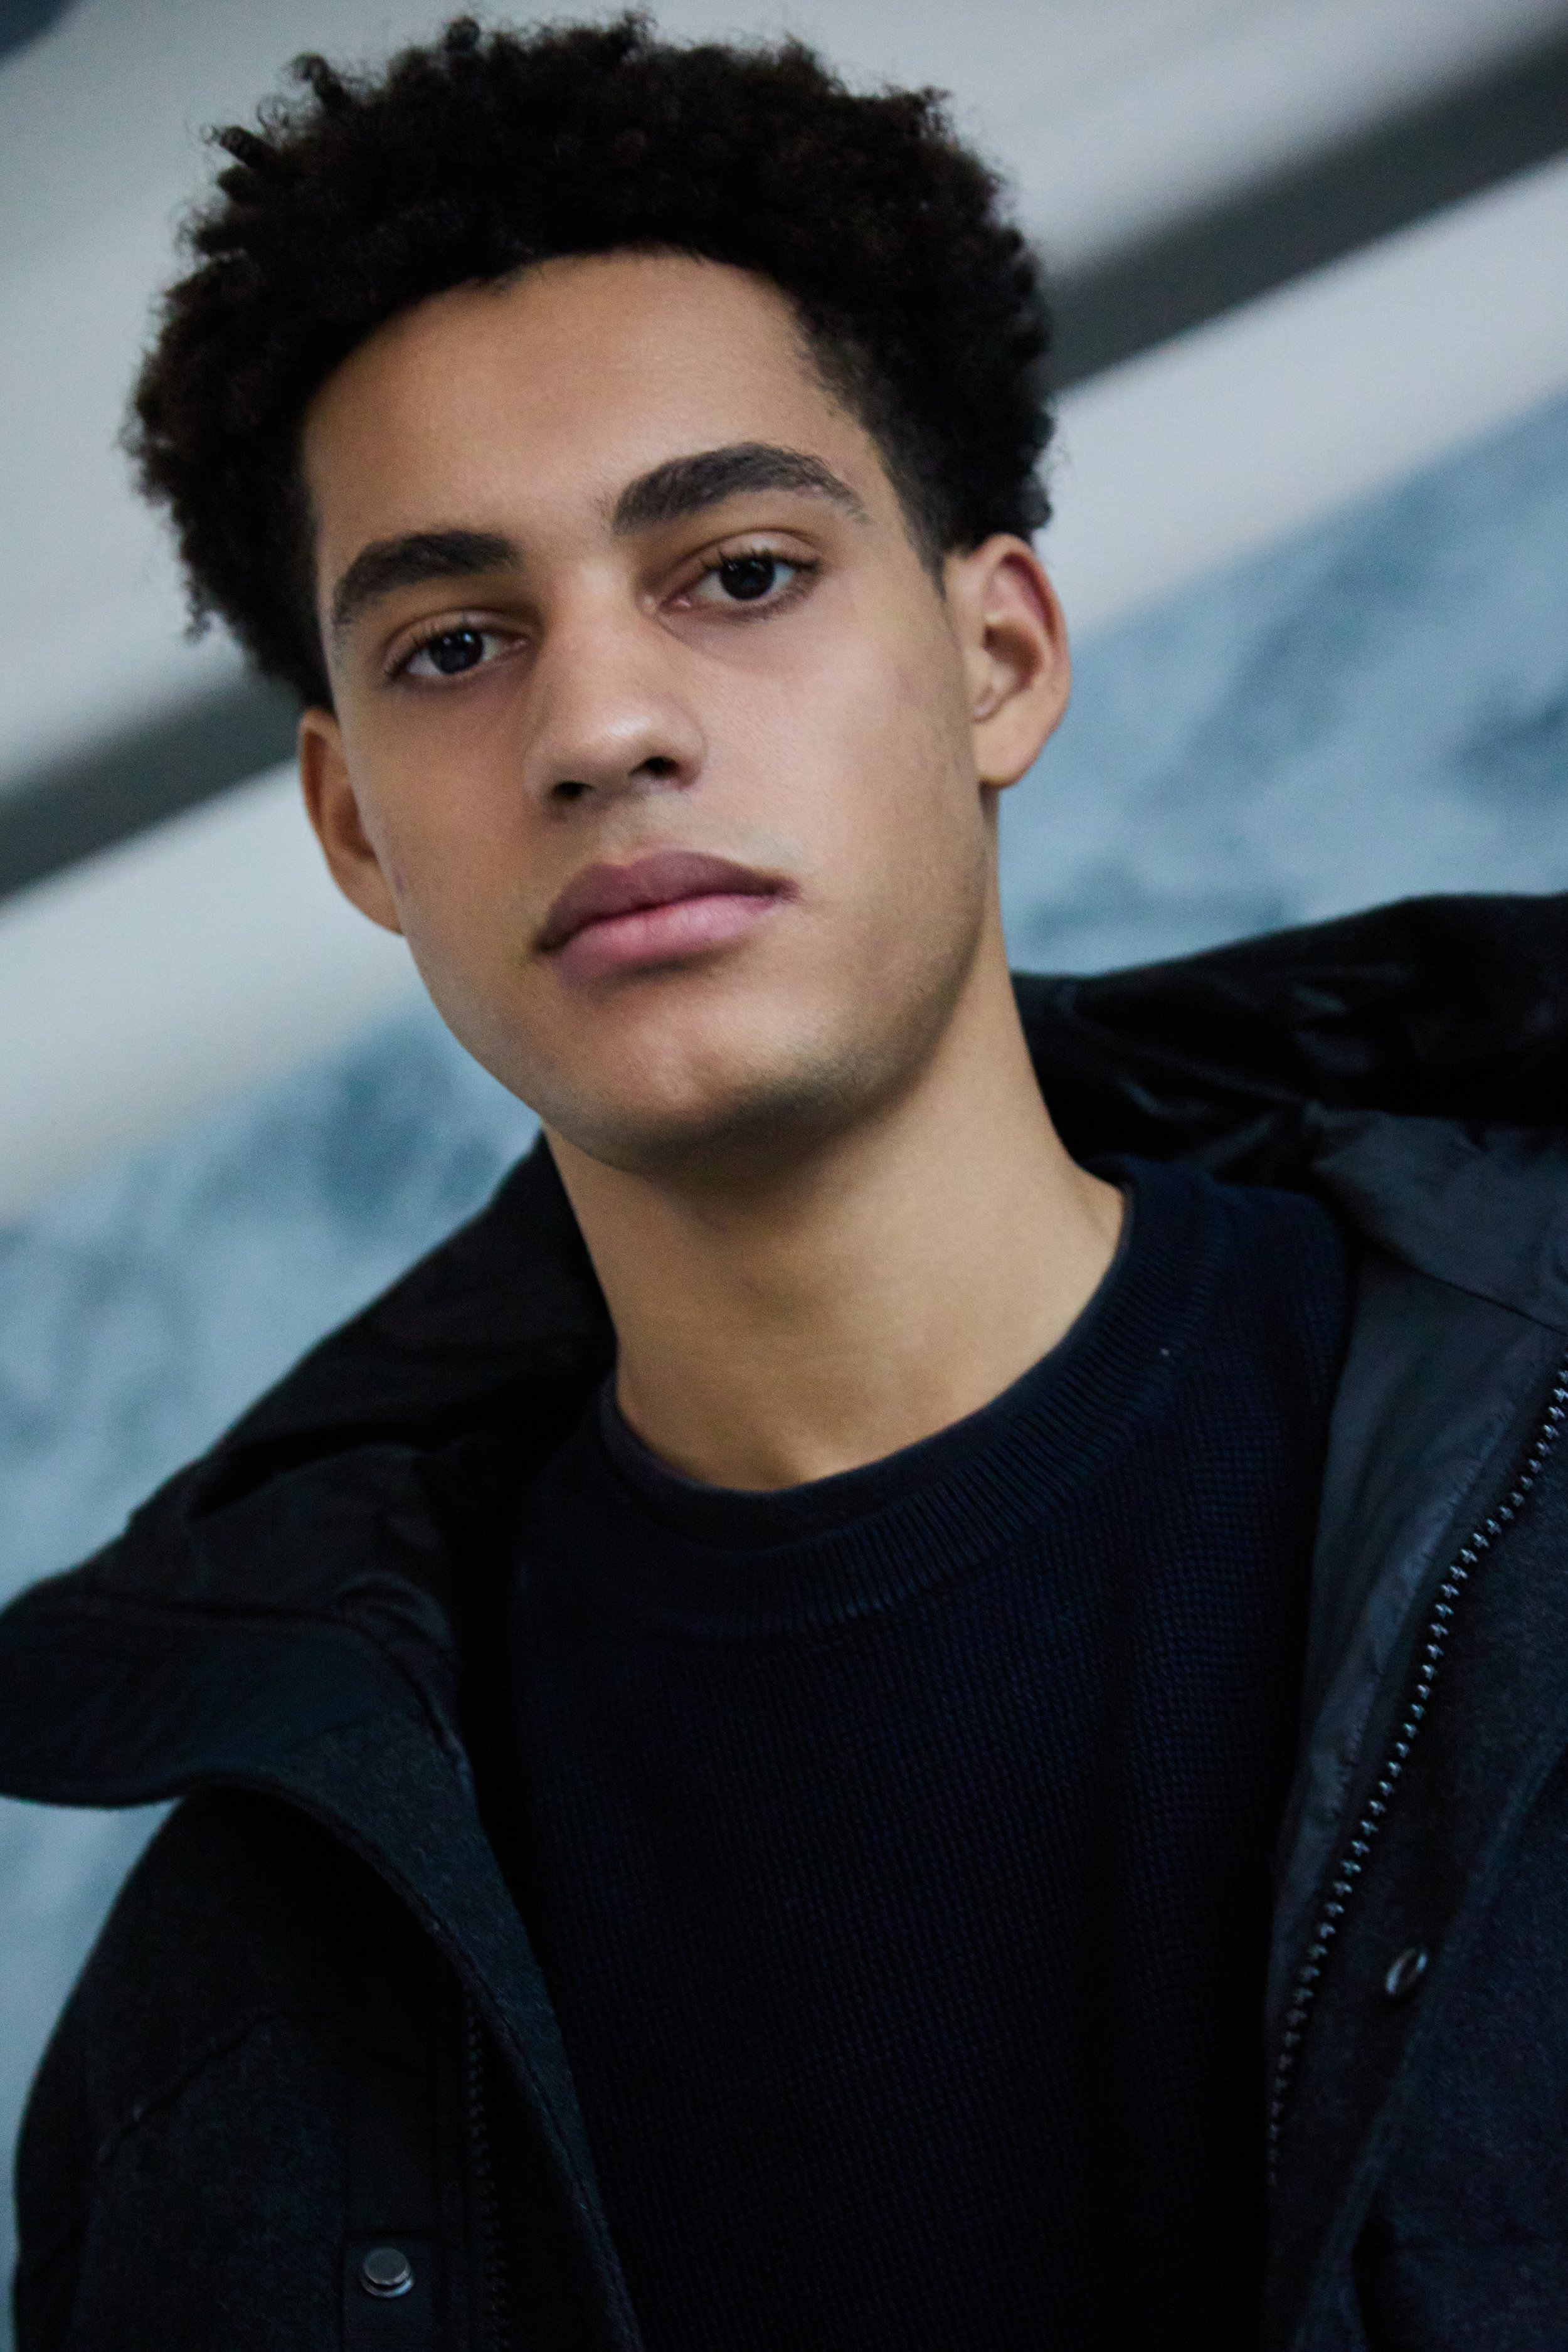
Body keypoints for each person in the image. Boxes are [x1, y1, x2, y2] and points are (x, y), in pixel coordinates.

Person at [2, 16, 1565, 2349]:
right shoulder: (222, 2030)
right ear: (354, 826)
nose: (599, 724)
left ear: (995, 655)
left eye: (734, 571)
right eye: (453, 641)